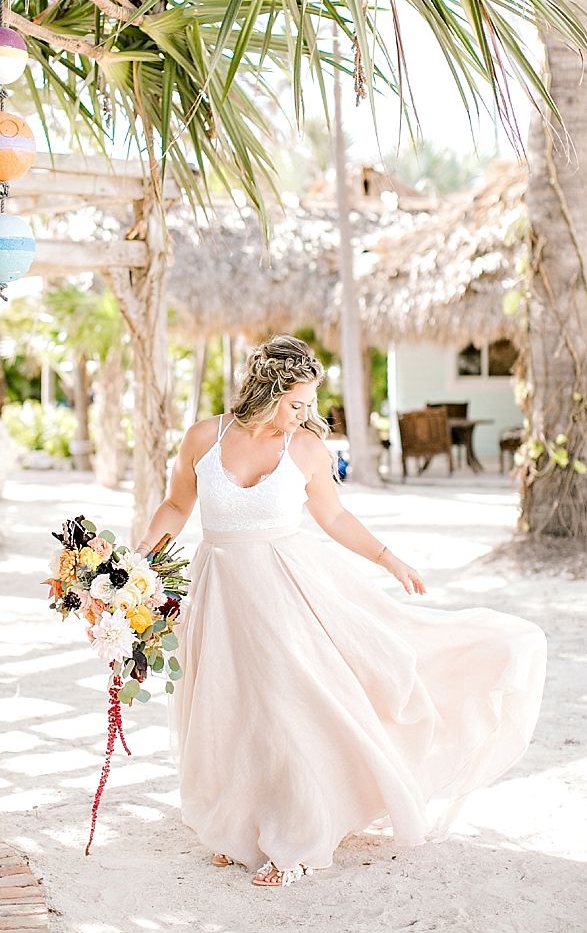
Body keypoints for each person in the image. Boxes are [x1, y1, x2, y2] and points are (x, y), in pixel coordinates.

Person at [138, 336, 546, 887]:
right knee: (232, 708)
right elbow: (177, 504)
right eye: (296, 404)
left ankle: (299, 842)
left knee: (289, 705)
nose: (306, 416)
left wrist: (388, 558)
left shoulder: (306, 450)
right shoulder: (203, 438)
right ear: (265, 392)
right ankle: (239, 830)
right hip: (220, 593)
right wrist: (137, 562)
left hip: (287, 592)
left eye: (308, 405)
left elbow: (334, 518)